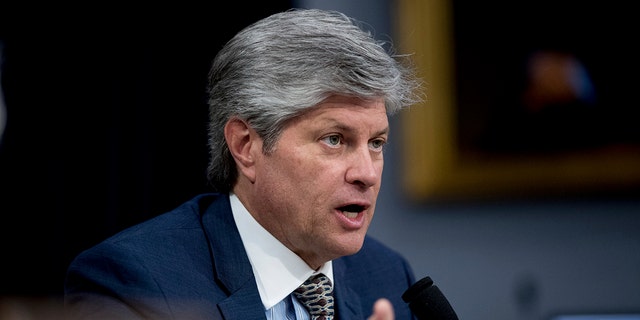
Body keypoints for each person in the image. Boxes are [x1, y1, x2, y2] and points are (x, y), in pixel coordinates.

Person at [64, 8, 423, 320]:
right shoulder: (136, 283)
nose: (366, 173)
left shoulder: (388, 277)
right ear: (245, 146)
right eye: (334, 139)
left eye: (376, 143)